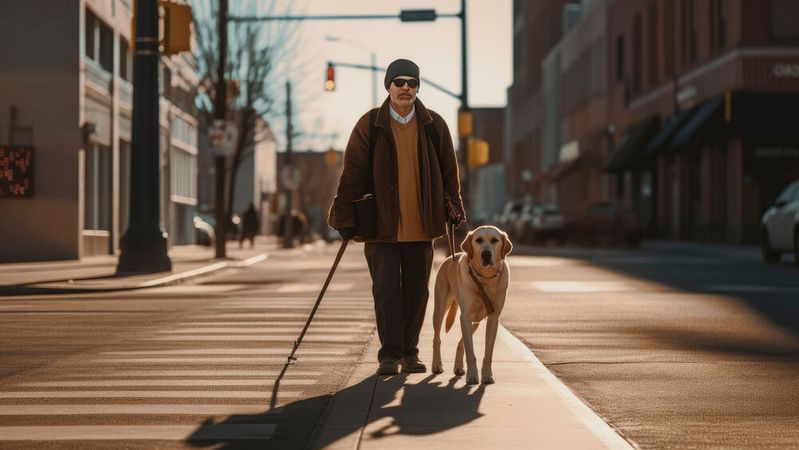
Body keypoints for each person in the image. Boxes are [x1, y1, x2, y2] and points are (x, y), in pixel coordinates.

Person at [328, 58, 465, 376]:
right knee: (386, 289)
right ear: (388, 86)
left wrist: (455, 207)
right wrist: (345, 215)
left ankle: (411, 353)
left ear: (418, 88)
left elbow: (449, 173)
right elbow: (353, 173)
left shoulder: (434, 126)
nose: (406, 88)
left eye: (413, 83)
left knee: (417, 292)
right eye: (400, 81)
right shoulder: (370, 124)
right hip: (381, 226)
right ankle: (389, 355)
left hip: (422, 223)